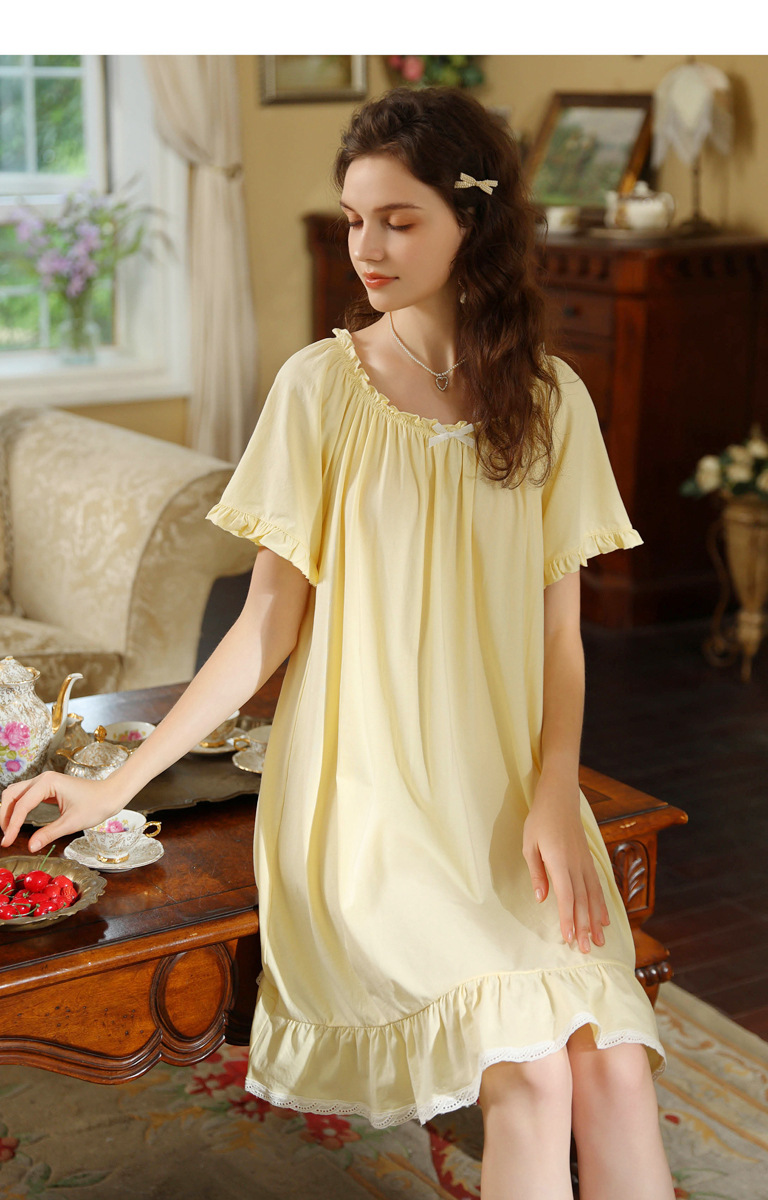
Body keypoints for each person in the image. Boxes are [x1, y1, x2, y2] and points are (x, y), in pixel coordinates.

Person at [0, 87, 675, 1200]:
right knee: (531, 1076)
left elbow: (563, 636)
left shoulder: (552, 400)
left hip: (508, 796)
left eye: (398, 221)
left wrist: (557, 794)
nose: (365, 247)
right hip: (368, 807)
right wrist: (115, 782)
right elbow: (263, 627)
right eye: (356, 218)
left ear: (472, 222)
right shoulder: (319, 390)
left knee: (612, 1063)